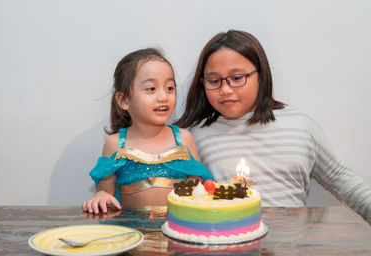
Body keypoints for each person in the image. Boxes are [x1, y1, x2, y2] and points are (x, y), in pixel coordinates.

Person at [176, 30, 371, 224]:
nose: (225, 90)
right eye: (214, 81)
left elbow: (342, 179)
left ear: (260, 75)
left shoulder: (299, 124)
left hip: (293, 248)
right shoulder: (194, 135)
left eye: (237, 78)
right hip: (231, 248)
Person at [83, 48, 214, 214]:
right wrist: (100, 196)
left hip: (177, 230)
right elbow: (105, 192)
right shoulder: (116, 144)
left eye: (170, 88)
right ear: (124, 100)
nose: (163, 97)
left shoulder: (183, 139)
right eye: (151, 89)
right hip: (133, 235)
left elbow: (201, 190)